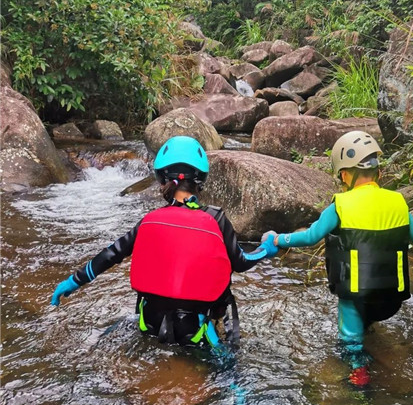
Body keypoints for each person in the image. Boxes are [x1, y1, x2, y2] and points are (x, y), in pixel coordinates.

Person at [50, 135, 278, 352]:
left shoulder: (149, 221)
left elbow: (111, 255)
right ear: (200, 181)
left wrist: (74, 281)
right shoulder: (216, 220)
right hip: (195, 330)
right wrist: (265, 249)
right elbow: (241, 262)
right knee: (228, 362)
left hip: (150, 323)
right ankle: (236, 387)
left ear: (162, 181)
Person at [262, 131, 413, 386]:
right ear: (377, 171)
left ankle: (358, 375)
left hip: (356, 296)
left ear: (345, 174)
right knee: (369, 316)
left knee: (351, 341)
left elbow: (311, 236)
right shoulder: (398, 202)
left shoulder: (340, 205)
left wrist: (277, 240)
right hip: (392, 300)